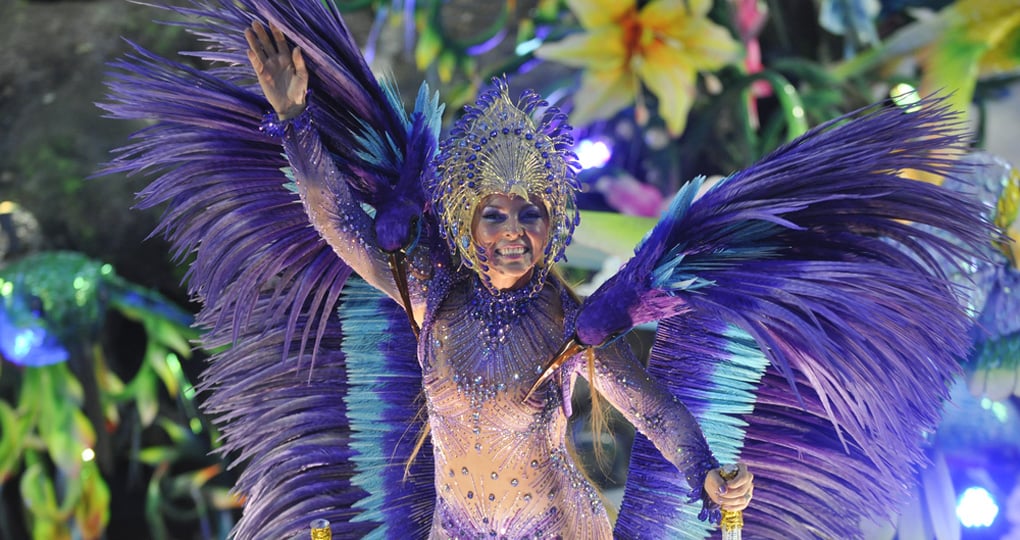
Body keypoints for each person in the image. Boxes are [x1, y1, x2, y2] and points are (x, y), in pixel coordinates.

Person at [244, 20, 753, 538]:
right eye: (495, 215)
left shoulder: (570, 325)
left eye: (529, 213)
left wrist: (706, 472)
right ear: (469, 224)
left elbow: (656, 412)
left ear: (550, 226)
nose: (514, 231)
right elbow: (342, 224)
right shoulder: (431, 296)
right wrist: (294, 119)